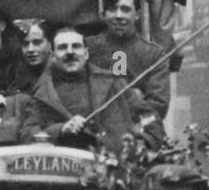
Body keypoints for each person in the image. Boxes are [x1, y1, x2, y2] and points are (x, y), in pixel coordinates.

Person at [18, 26, 159, 154]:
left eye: (76, 46)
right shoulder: (42, 93)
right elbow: (27, 134)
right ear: (53, 56)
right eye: (62, 47)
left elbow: (150, 119)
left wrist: (142, 147)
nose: (70, 52)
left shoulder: (114, 83)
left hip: (111, 169)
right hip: (62, 169)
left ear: (86, 54)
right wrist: (61, 129)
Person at [86, 0, 170, 120]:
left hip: (135, 132)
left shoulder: (154, 55)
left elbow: (158, 107)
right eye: (112, 9)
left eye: (125, 10)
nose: (118, 16)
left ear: (137, 14)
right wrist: (136, 97)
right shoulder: (88, 48)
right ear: (103, 14)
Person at [14, 19, 52, 94]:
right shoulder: (20, 73)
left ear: (50, 43)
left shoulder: (59, 73)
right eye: (25, 44)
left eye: (37, 42)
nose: (30, 49)